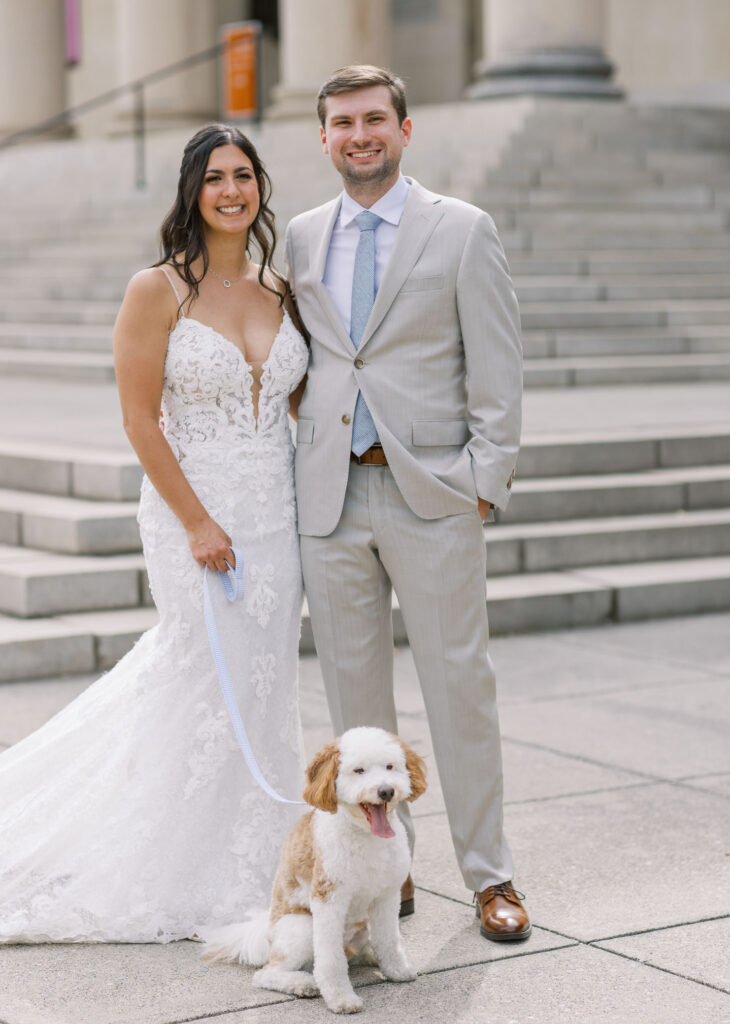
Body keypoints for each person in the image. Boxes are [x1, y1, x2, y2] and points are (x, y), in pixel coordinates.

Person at [0, 125, 309, 943]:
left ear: (261, 187)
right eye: (215, 179)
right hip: (193, 514)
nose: (233, 191)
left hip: (276, 519)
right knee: (196, 675)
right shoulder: (157, 290)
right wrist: (199, 520)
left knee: (264, 681)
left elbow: (299, 408)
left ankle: (257, 851)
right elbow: (140, 420)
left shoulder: (283, 289)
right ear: (191, 192)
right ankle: (169, 855)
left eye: (245, 176)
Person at [286, 66, 529, 941]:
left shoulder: (461, 230)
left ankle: (491, 876)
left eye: (375, 120)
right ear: (323, 138)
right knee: (359, 720)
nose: (360, 135)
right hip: (331, 500)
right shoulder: (303, 238)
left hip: (432, 497)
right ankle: (386, 880)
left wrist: (484, 485)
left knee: (460, 690)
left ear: (404, 128)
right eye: (343, 123)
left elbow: (498, 369)